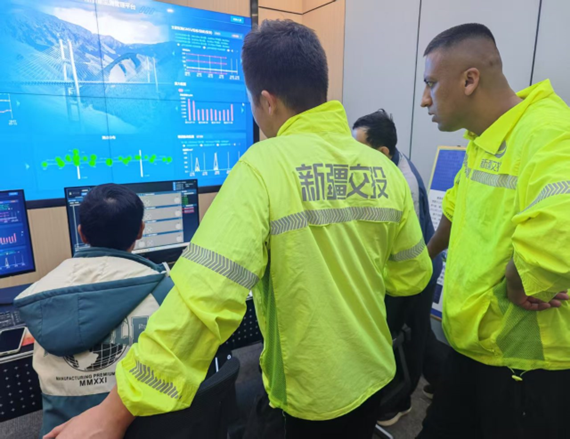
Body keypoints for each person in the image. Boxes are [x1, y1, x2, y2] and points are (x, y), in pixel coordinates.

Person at [45, 20, 433, 439]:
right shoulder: (384, 169)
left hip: (311, 397)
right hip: (372, 376)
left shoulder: (262, 167)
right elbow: (412, 276)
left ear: (267, 101)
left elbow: (201, 301)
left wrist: (115, 412)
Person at [418, 23, 570, 438]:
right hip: (474, 350)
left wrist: (520, 278)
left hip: (524, 369)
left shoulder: (547, 130)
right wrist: (419, 260)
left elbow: (562, 223)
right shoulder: (484, 139)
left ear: (470, 80)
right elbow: (455, 210)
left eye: (431, 83)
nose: (425, 99)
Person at [14, 184, 174, 437]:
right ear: (141, 230)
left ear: (82, 233)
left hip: (61, 432)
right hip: (149, 427)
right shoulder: (165, 291)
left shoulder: (38, 298)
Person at [352, 110, 444, 426]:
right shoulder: (384, 165)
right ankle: (446, 381)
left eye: (358, 147)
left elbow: (405, 249)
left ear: (383, 152)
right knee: (421, 335)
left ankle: (401, 402)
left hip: (415, 272)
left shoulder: (403, 183)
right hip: (403, 268)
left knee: (408, 337)